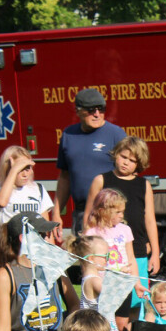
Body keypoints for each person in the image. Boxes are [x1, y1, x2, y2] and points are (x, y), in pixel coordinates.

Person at [83, 136, 160, 287]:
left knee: (137, 299)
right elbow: (88, 217)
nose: (126, 162)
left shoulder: (144, 185)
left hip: (137, 250)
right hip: (107, 252)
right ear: (116, 154)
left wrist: (155, 254)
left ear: (139, 163)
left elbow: (150, 220)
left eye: (132, 161)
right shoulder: (101, 180)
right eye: (123, 157)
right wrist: (89, 250)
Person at [85, 188, 148, 331]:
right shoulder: (91, 233)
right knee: (103, 326)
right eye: (117, 212)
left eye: (122, 211)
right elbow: (89, 264)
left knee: (121, 325)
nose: (121, 215)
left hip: (124, 285)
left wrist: (136, 283)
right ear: (103, 211)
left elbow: (131, 258)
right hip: (102, 287)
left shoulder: (125, 230)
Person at [54, 89, 126, 234]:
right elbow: (65, 177)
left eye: (101, 109)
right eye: (91, 110)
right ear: (78, 111)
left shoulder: (116, 134)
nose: (97, 114)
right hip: (81, 213)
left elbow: (129, 176)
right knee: (83, 256)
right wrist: (56, 213)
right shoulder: (68, 135)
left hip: (110, 214)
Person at [70, 233, 116, 331]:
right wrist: (122, 281)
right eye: (105, 256)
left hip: (97, 324)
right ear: (91, 259)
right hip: (96, 325)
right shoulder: (94, 280)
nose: (107, 260)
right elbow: (109, 294)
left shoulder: (90, 277)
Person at [0, 145, 54, 232]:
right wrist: (14, 170)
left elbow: (45, 225)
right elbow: (1, 202)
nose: (25, 174)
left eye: (27, 168)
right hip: (8, 243)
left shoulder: (38, 189)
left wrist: (49, 244)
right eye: (20, 169)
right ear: (8, 168)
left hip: (33, 243)